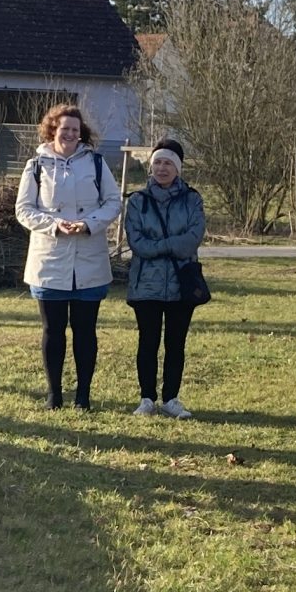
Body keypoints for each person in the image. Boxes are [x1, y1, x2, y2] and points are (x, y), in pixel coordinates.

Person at [16, 103, 121, 410]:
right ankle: (54, 395)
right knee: (53, 329)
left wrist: (89, 224)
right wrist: (53, 225)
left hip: (89, 260)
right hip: (49, 260)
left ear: (81, 132)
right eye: (65, 129)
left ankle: (83, 396)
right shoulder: (35, 165)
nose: (70, 134)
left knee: (85, 331)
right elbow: (24, 209)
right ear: (53, 130)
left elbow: (113, 202)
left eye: (75, 129)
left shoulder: (97, 163)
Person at [123, 138, 207, 417]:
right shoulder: (138, 201)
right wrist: (170, 245)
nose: (162, 168)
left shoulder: (193, 199)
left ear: (178, 168)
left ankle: (171, 398)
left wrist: (160, 245)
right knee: (147, 342)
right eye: (157, 162)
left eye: (168, 163)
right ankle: (147, 398)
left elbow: (192, 239)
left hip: (181, 286)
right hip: (145, 284)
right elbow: (137, 243)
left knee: (176, 343)